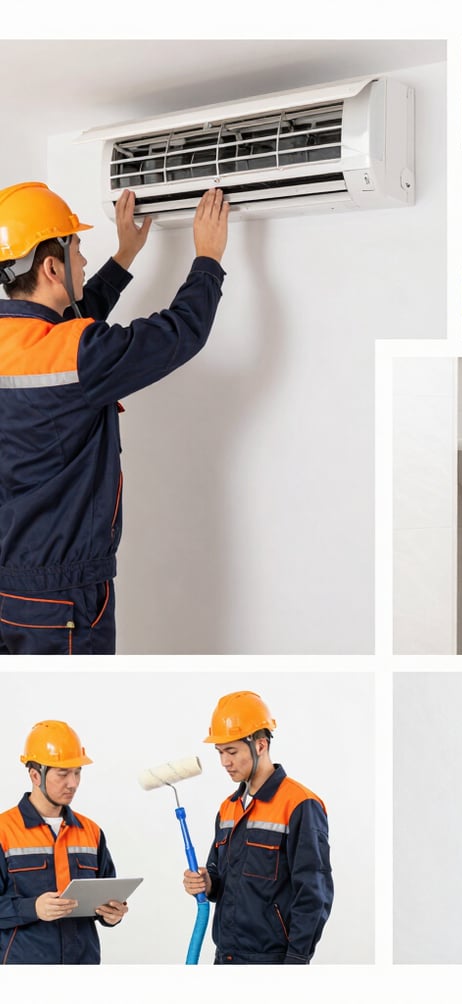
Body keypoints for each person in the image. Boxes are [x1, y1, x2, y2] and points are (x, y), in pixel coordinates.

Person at [0, 181, 229, 654]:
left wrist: (124, 257)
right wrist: (208, 259)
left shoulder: (31, 346)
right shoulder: (76, 355)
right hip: (61, 597)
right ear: (50, 267)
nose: (83, 260)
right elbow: (179, 333)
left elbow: (66, 339)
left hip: (10, 585)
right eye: (78, 250)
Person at [183, 691, 333, 964]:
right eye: (219, 752)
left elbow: (314, 893)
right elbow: (220, 875)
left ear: (260, 745)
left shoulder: (300, 805)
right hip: (226, 957)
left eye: (232, 751)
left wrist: (296, 961)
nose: (224, 762)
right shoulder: (228, 807)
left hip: (272, 960)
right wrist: (208, 882)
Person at [0, 720, 126, 964]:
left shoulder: (91, 832)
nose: (73, 783)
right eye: (63, 773)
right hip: (24, 971)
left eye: (77, 772)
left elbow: (107, 895)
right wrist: (33, 908)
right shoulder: (4, 832)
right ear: (35, 775)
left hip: (82, 967)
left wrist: (113, 914)